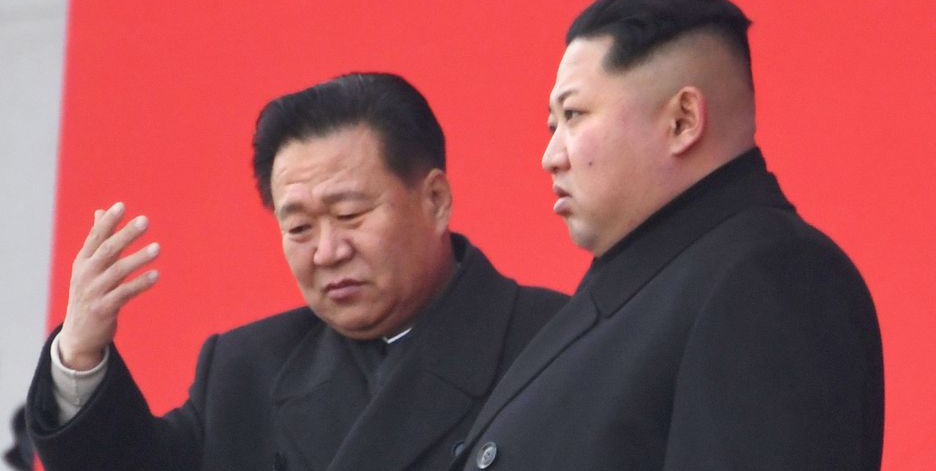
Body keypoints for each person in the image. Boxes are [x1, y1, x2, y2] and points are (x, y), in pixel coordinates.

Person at [26, 73, 567, 471]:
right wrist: (80, 355)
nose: (327, 251)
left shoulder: (557, 343)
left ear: (435, 200)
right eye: (300, 227)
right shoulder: (245, 370)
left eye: (350, 215)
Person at [455, 0, 883, 470]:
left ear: (682, 121)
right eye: (553, 125)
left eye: (573, 115)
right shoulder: (653, 284)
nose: (551, 157)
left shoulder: (773, 281)